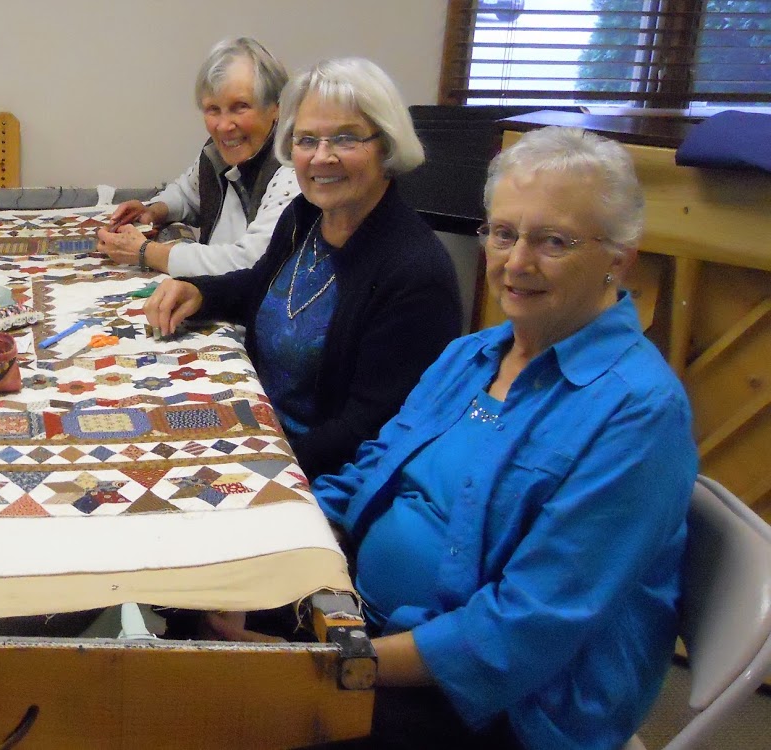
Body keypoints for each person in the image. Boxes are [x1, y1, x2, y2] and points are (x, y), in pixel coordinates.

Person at [225, 126, 696, 750]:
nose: (517, 262)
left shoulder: (638, 413)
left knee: (218, 707)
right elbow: (370, 470)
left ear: (619, 257)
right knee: (192, 612)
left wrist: (328, 665)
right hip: (363, 619)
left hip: (499, 706)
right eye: (503, 233)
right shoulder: (471, 356)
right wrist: (271, 557)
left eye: (553, 241)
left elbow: (521, 632)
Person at [144, 57, 462, 479]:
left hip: (322, 476)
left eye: (345, 139)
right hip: (264, 429)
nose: (321, 157)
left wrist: (254, 463)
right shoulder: (305, 216)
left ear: (386, 145)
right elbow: (261, 285)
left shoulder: (415, 274)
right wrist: (200, 292)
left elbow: (366, 431)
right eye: (307, 139)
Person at [97, 37, 300, 277]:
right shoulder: (217, 152)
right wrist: (152, 210)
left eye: (240, 107)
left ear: (276, 107)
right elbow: (187, 194)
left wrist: (145, 252)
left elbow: (251, 261)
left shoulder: (293, 169)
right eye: (213, 109)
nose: (224, 126)